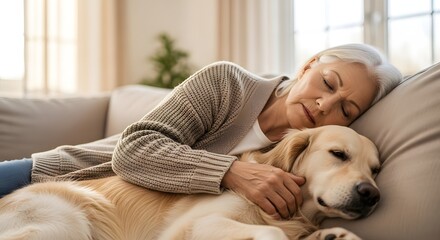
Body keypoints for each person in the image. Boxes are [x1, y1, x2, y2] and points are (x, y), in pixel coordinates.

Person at [0, 43, 402, 220]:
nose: (323, 106)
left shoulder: (309, 159)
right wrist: (229, 172)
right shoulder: (226, 82)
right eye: (328, 83)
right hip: (59, 177)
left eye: (346, 109)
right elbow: (134, 149)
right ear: (308, 65)